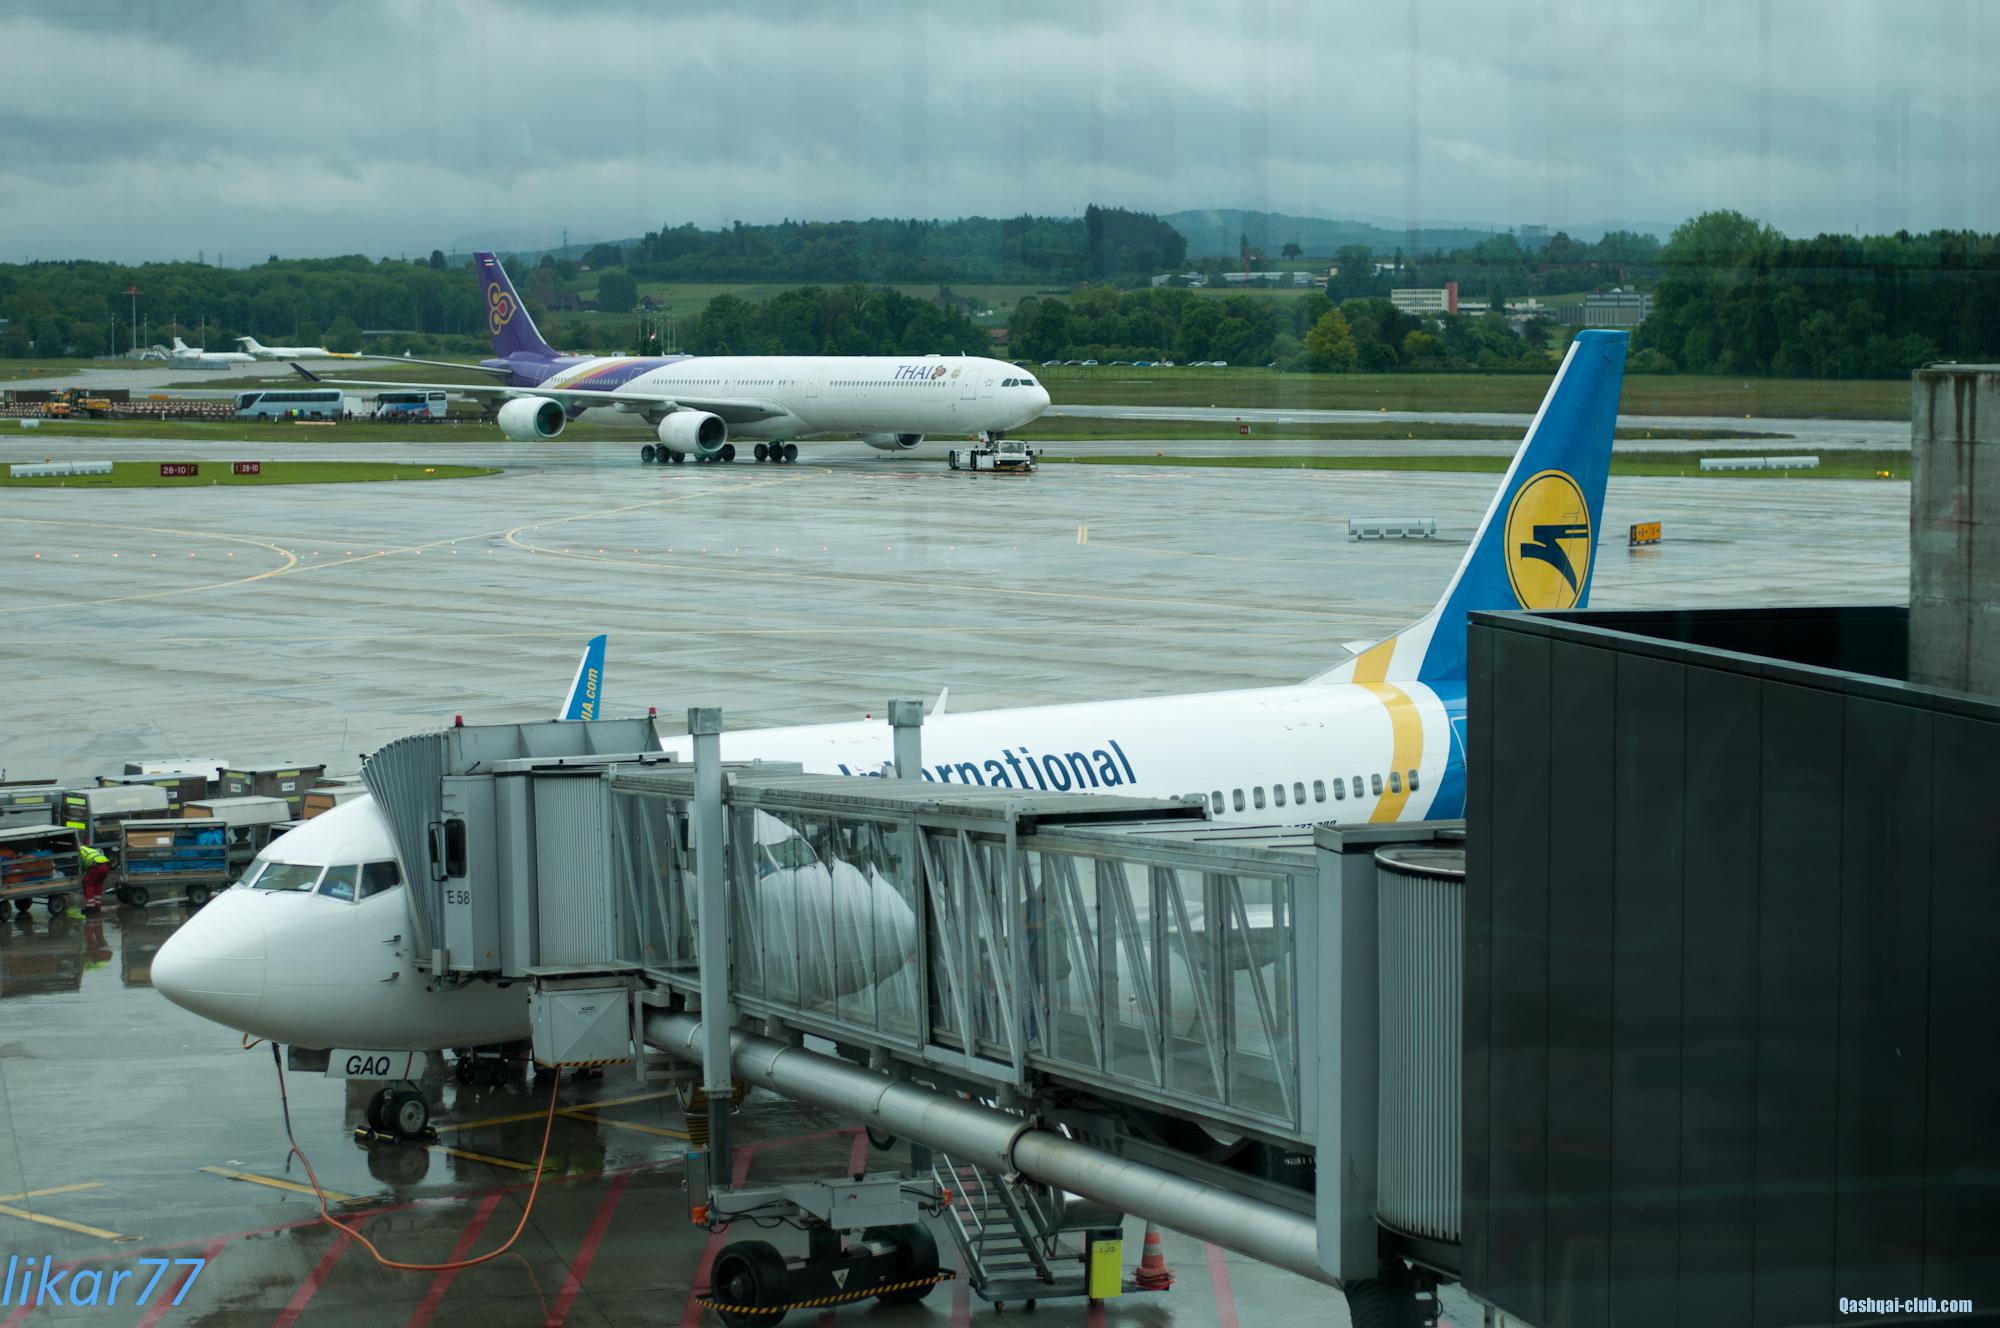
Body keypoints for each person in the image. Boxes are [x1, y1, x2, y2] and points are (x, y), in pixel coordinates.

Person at [77, 843, 110, 914]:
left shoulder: (78, 851)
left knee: (88, 884)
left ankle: (90, 908)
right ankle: (97, 907)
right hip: (106, 865)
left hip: (96, 866)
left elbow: (80, 866)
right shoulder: (88, 849)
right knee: (98, 885)